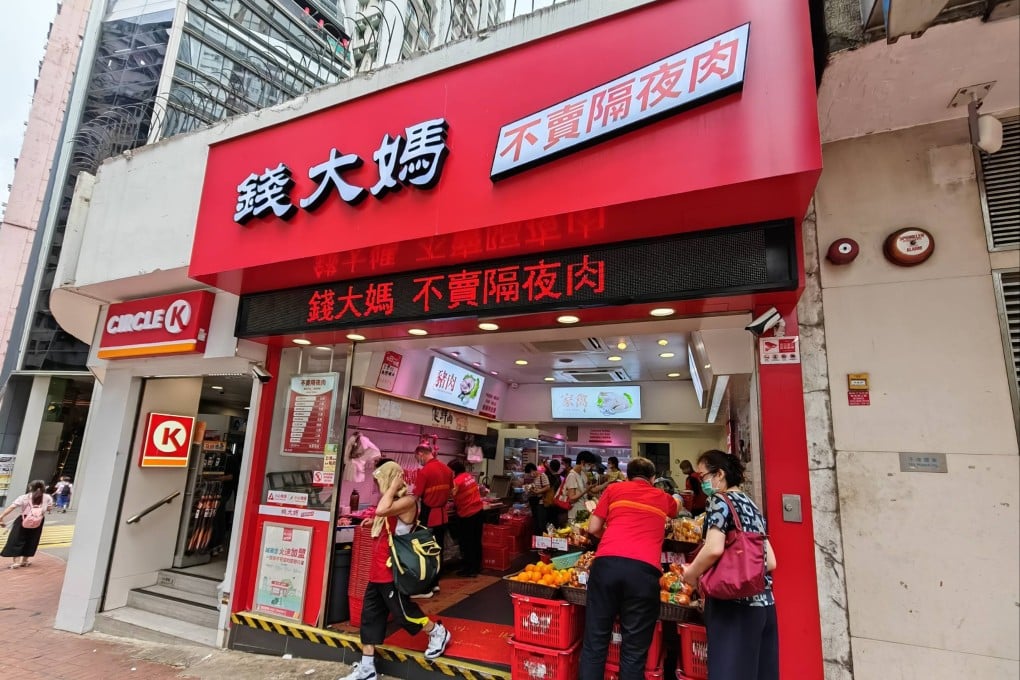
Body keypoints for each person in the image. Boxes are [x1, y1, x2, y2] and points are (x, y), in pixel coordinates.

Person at [341, 461, 451, 680]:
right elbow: (383, 515)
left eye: (380, 481)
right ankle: (367, 668)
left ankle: (437, 632)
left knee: (404, 614)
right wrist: (374, 521)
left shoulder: (409, 501)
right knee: (370, 617)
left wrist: (392, 487)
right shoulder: (393, 501)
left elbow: (383, 510)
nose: (377, 486)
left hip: (393, 569)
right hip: (378, 569)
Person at [681, 450, 778, 680]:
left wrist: (691, 574)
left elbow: (714, 548)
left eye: (704, 476)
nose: (702, 482)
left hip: (732, 607)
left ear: (720, 475)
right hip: (764, 606)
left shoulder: (720, 500)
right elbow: (771, 561)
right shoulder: (751, 504)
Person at [579, 458, 678, 679]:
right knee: (633, 651)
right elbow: (677, 508)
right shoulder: (662, 496)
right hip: (643, 573)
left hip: (606, 566)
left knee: (595, 641)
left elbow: (593, 528)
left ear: (627, 476)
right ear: (653, 478)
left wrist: (612, 538)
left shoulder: (614, 490)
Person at [412, 442, 454, 598]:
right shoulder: (447, 470)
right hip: (442, 515)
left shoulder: (424, 472)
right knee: (438, 550)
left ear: (421, 454)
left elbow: (416, 496)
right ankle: (435, 583)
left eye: (417, 458)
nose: (419, 461)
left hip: (429, 516)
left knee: (426, 551)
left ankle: (426, 588)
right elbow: (452, 491)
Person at [0, 480, 54, 569]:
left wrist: (1, 517)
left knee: (16, 539)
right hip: (38, 521)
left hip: (23, 519)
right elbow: (49, 508)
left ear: (30, 488)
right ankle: (24, 561)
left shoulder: (24, 497)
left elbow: (11, 507)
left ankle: (16, 562)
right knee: (32, 540)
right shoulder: (47, 497)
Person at [448, 459, 483, 577]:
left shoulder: (457, 481)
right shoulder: (469, 476)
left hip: (468, 514)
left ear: (454, 471)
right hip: (478, 511)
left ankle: (469, 569)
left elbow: (451, 493)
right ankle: (477, 567)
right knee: (476, 541)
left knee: (467, 543)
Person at [561, 451, 598, 522]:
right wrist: (586, 490)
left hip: (584, 510)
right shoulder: (572, 475)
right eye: (589, 464)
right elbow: (572, 498)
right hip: (575, 513)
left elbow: (589, 489)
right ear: (582, 462)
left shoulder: (581, 474)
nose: (590, 467)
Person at [523, 462, 549, 536]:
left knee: (541, 523)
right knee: (536, 522)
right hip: (534, 502)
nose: (530, 475)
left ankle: (543, 539)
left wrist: (538, 491)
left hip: (541, 502)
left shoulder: (542, 475)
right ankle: (537, 539)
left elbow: (547, 487)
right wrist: (528, 489)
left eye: (530, 473)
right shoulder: (533, 478)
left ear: (533, 470)